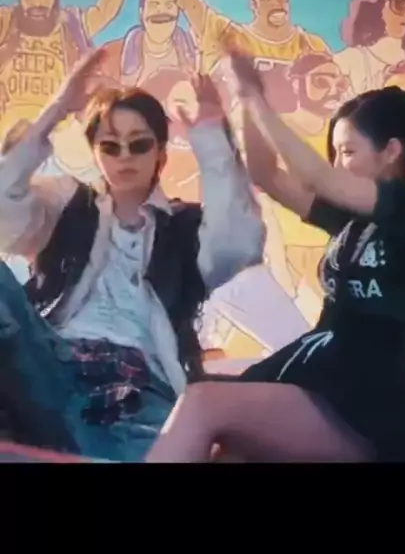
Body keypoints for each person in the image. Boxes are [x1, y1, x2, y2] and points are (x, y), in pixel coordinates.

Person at [146, 50, 405, 463]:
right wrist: (242, 100)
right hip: (320, 367)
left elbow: (317, 176)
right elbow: (266, 174)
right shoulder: (348, 215)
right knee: (228, 452)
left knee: (203, 403)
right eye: (335, 153)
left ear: (391, 151)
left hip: (366, 399)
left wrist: (257, 98)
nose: (338, 163)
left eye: (348, 151)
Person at [0, 50, 265, 462]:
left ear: (161, 153)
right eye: (110, 146)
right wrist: (59, 107)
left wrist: (212, 137)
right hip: (50, 362)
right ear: (95, 153)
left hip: (137, 387)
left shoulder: (185, 227)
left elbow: (240, 244)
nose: (124, 156)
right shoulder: (65, 204)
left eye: (139, 144)